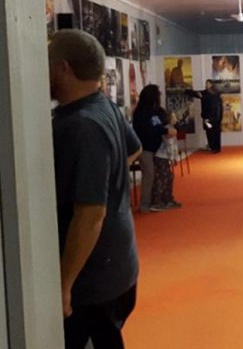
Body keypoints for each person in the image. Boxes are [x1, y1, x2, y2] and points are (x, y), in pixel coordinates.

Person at [49, 29, 142, 348]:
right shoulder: (104, 106)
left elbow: (90, 215)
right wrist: (110, 179)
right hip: (117, 262)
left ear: (63, 68)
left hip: (93, 279)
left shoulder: (82, 124)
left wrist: (63, 284)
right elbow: (134, 148)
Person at [133, 85, 178, 213]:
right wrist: (164, 130)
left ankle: (160, 199)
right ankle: (145, 204)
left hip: (159, 148)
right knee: (149, 175)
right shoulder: (140, 113)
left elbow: (164, 122)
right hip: (145, 148)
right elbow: (146, 131)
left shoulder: (158, 111)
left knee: (163, 175)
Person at [152, 111, 183, 211]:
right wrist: (172, 157)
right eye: (174, 117)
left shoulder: (171, 129)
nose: (176, 119)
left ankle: (167, 198)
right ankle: (157, 201)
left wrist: (174, 157)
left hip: (166, 156)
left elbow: (174, 145)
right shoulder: (167, 130)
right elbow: (169, 144)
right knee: (162, 178)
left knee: (168, 177)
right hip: (162, 156)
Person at [187, 80, 223, 153]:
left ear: (212, 85)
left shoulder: (215, 94)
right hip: (208, 117)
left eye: (207, 84)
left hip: (214, 117)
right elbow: (196, 93)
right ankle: (213, 147)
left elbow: (211, 102)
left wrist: (202, 97)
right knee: (209, 131)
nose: (206, 85)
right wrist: (187, 91)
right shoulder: (207, 93)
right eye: (206, 84)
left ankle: (215, 148)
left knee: (214, 132)